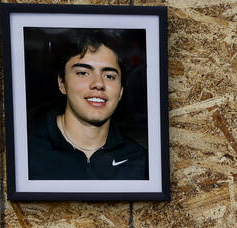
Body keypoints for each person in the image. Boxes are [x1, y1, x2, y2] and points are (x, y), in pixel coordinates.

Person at [27, 29, 148, 181]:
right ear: (62, 83)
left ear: (121, 91)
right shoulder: (26, 150)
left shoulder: (139, 161)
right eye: (83, 73)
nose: (98, 84)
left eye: (109, 76)